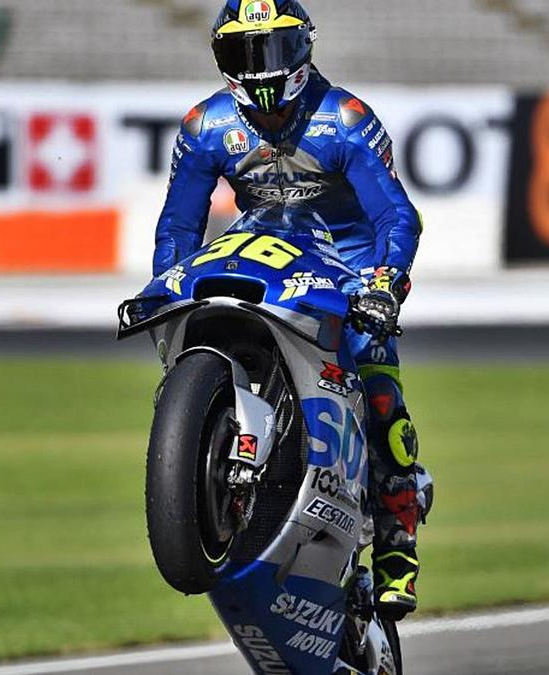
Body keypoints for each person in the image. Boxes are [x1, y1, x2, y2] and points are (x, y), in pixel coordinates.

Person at [154, 0, 425, 620]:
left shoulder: (346, 120)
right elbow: (179, 223)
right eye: (241, 53)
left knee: (380, 393)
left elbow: (395, 215)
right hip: (260, 258)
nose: (258, 69)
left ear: (303, 49)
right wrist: (167, 284)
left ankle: (398, 542)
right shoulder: (204, 127)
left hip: (346, 272)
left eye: (271, 50)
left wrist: (385, 282)